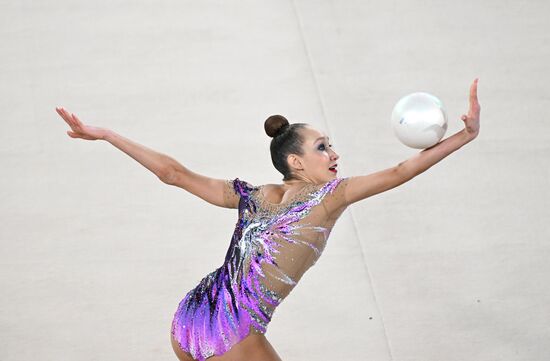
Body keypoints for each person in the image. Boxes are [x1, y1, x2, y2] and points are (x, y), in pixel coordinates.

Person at [55, 79, 480, 360]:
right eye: (323, 147)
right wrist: (465, 135)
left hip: (189, 315)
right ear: (295, 160)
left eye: (331, 146)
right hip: (233, 330)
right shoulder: (330, 198)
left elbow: (174, 175)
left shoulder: (251, 196)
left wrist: (108, 135)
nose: (335, 155)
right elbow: (402, 172)